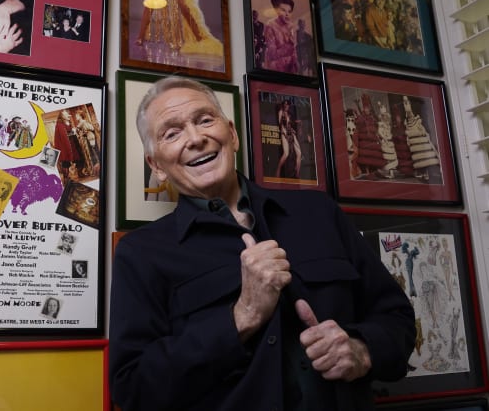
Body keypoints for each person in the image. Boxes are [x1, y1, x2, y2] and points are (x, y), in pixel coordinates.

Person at [109, 76, 415, 411]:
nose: (196, 139)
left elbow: (397, 318)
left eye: (204, 120)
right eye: (172, 133)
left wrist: (363, 349)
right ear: (157, 166)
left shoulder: (318, 212)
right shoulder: (141, 253)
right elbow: (133, 389)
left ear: (233, 134)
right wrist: (243, 316)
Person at [263, 0, 299, 74]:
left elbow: (294, 49)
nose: (287, 14)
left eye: (289, 11)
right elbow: (272, 54)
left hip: (290, 69)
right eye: (283, 10)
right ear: (276, 10)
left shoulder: (291, 25)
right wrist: (289, 46)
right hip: (275, 70)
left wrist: (295, 62)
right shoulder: (270, 25)